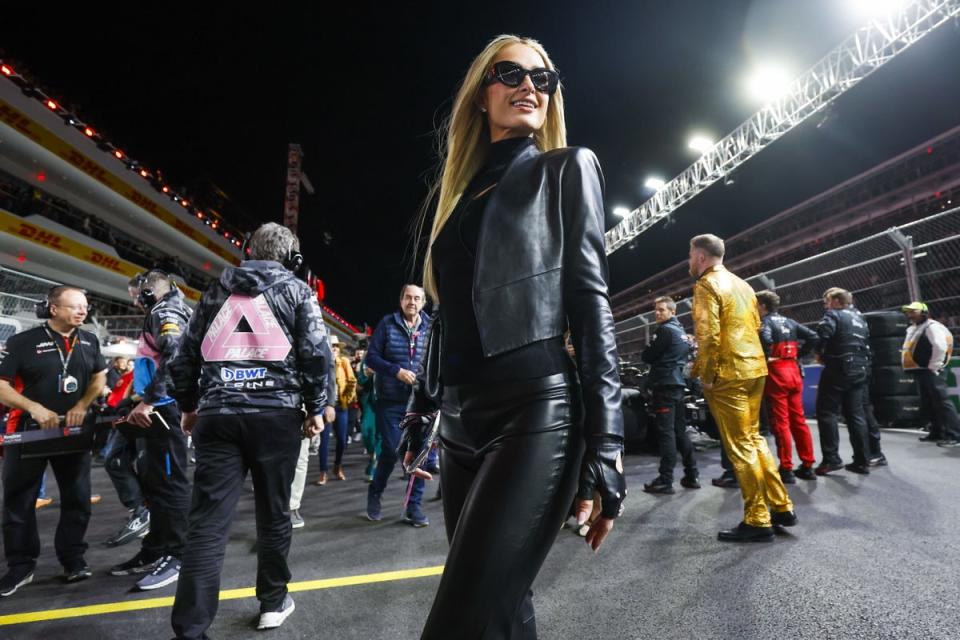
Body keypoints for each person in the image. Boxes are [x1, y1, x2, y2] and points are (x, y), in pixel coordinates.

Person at [406, 35, 626, 637]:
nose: (530, 86)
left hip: (535, 414)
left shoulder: (565, 168)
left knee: (459, 625)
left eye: (543, 78)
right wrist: (422, 409)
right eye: (511, 74)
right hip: (458, 424)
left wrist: (605, 451)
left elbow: (590, 304)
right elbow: (447, 319)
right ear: (482, 94)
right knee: (503, 611)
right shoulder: (458, 197)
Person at [168, 223, 329, 637]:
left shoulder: (214, 292)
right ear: (292, 260)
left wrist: (188, 406)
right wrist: (317, 406)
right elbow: (315, 354)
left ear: (246, 250)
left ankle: (190, 628)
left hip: (217, 415)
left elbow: (184, 355)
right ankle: (273, 603)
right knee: (274, 515)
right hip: (277, 417)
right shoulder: (297, 291)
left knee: (206, 523)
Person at [0, 286, 106, 596]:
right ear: (54, 309)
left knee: (77, 499)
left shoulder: (89, 340)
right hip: (27, 433)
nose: (82, 311)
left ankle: (73, 559)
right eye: (74, 306)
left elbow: (99, 377)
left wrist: (82, 405)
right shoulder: (23, 342)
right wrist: (33, 406)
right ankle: (21, 566)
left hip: (73, 434)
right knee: (18, 504)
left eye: (85, 306)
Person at [689, 234, 795, 542]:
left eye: (690, 256)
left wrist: (707, 375)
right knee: (755, 439)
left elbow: (708, 335)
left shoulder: (706, 285)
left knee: (739, 447)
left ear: (700, 257)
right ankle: (780, 505)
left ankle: (757, 518)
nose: (689, 261)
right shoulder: (744, 285)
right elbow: (757, 328)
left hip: (727, 374)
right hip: (755, 369)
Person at [109, 270, 192, 591]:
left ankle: (179, 554)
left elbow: (176, 356)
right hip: (158, 407)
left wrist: (151, 401)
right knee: (156, 482)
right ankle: (156, 548)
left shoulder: (166, 312)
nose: (134, 302)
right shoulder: (164, 311)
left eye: (135, 296)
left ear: (147, 294)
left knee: (171, 484)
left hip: (165, 408)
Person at [364, 284, 432, 526]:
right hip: (390, 400)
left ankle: (413, 507)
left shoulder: (431, 327)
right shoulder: (387, 324)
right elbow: (371, 357)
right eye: (407, 297)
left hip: (420, 401)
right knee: (392, 450)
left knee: (419, 455)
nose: (412, 302)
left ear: (423, 302)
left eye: (417, 298)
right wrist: (396, 371)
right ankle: (375, 492)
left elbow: (437, 360)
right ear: (401, 300)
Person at [755, 290, 819, 483]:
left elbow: (765, 339)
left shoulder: (765, 323)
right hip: (794, 371)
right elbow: (814, 337)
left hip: (776, 373)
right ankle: (808, 465)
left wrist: (765, 358)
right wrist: (798, 354)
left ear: (763, 306)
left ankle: (786, 467)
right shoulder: (790, 322)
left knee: (780, 422)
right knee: (798, 420)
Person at [641, 296, 700, 494]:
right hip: (678, 385)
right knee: (680, 431)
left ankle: (665, 480)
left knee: (666, 433)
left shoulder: (665, 331)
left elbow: (647, 356)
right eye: (656, 310)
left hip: (665, 385)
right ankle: (692, 475)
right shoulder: (682, 332)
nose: (658, 313)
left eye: (662, 310)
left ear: (672, 312)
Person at [814, 288, 872, 475]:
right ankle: (862, 460)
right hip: (860, 369)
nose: (826, 305)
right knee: (856, 415)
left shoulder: (833, 315)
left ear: (836, 301)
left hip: (838, 368)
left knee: (827, 413)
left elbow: (822, 334)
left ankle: (831, 459)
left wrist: (819, 353)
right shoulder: (860, 318)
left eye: (827, 301)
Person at [901, 301, 960, 447]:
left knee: (941, 401)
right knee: (930, 402)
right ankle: (937, 432)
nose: (910, 314)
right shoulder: (915, 328)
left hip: (931, 369)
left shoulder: (931, 327)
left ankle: (955, 434)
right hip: (922, 369)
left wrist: (934, 366)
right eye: (909, 312)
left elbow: (940, 346)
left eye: (913, 312)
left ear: (924, 313)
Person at [316, 335, 356, 481]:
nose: (333, 349)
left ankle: (337, 466)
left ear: (338, 349)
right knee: (324, 440)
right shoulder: (322, 362)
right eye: (331, 346)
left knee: (342, 440)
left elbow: (352, 381)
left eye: (335, 346)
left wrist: (347, 397)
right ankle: (323, 471)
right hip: (324, 406)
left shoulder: (343, 362)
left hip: (341, 407)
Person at [354, 347, 380, 481]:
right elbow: (361, 381)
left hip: (385, 402)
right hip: (369, 402)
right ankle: (373, 457)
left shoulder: (389, 356)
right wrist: (369, 375)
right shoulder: (367, 359)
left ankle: (374, 466)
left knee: (380, 435)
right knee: (367, 432)